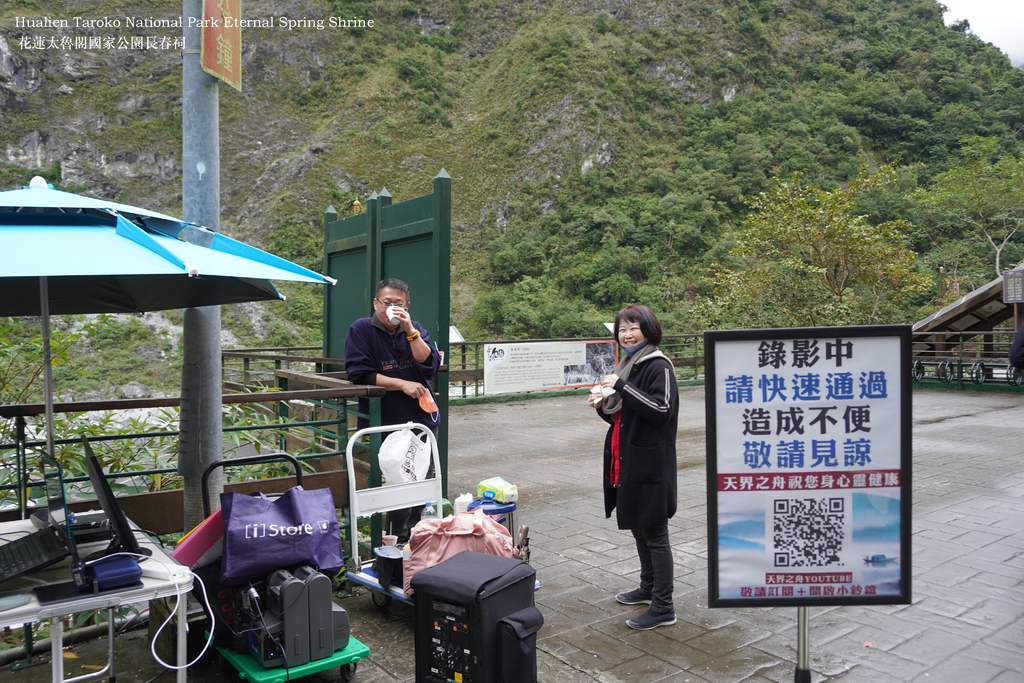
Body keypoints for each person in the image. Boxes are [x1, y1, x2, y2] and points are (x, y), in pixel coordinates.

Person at [589, 304, 679, 630]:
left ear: (648, 329)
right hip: (627, 458)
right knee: (640, 528)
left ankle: (664, 606)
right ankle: (648, 587)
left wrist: (621, 387)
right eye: (622, 329)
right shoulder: (629, 365)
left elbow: (661, 409)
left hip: (651, 463)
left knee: (655, 533)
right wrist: (602, 405)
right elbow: (623, 416)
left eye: (633, 328)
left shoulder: (657, 366)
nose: (627, 334)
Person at [345, 278, 441, 544]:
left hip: (422, 421)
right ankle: (394, 540)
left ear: (407, 306)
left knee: (423, 479)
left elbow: (429, 365)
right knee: (396, 482)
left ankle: (419, 538)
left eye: (398, 304)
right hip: (385, 421)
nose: (392, 307)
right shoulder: (361, 329)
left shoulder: (415, 329)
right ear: (376, 303)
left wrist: (410, 329)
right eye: (386, 302)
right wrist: (401, 384)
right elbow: (359, 373)